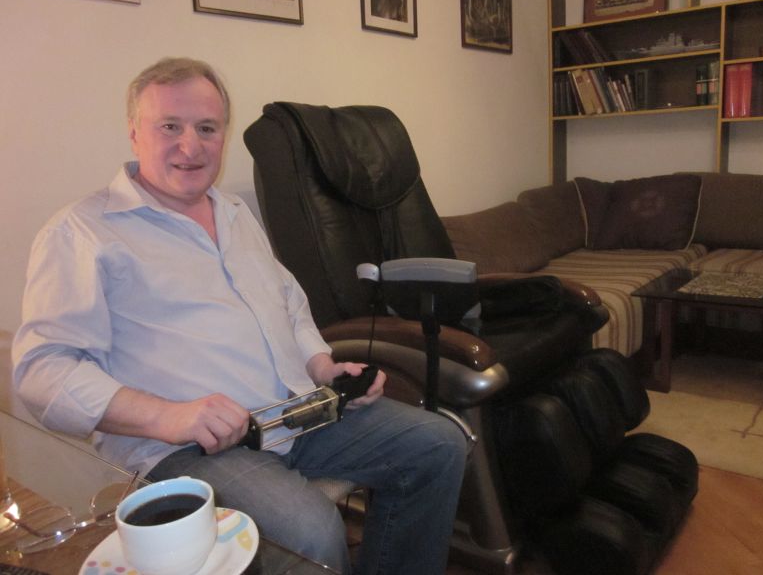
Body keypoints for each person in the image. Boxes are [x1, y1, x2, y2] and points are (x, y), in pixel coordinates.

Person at [12, 57, 467, 574]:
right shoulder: (82, 232)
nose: (191, 146)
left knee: (438, 444)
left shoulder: (233, 213)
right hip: (188, 449)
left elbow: (288, 302)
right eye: (170, 126)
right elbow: (42, 372)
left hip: (294, 413)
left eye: (207, 128)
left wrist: (322, 365)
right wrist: (170, 416)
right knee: (310, 532)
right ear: (134, 131)